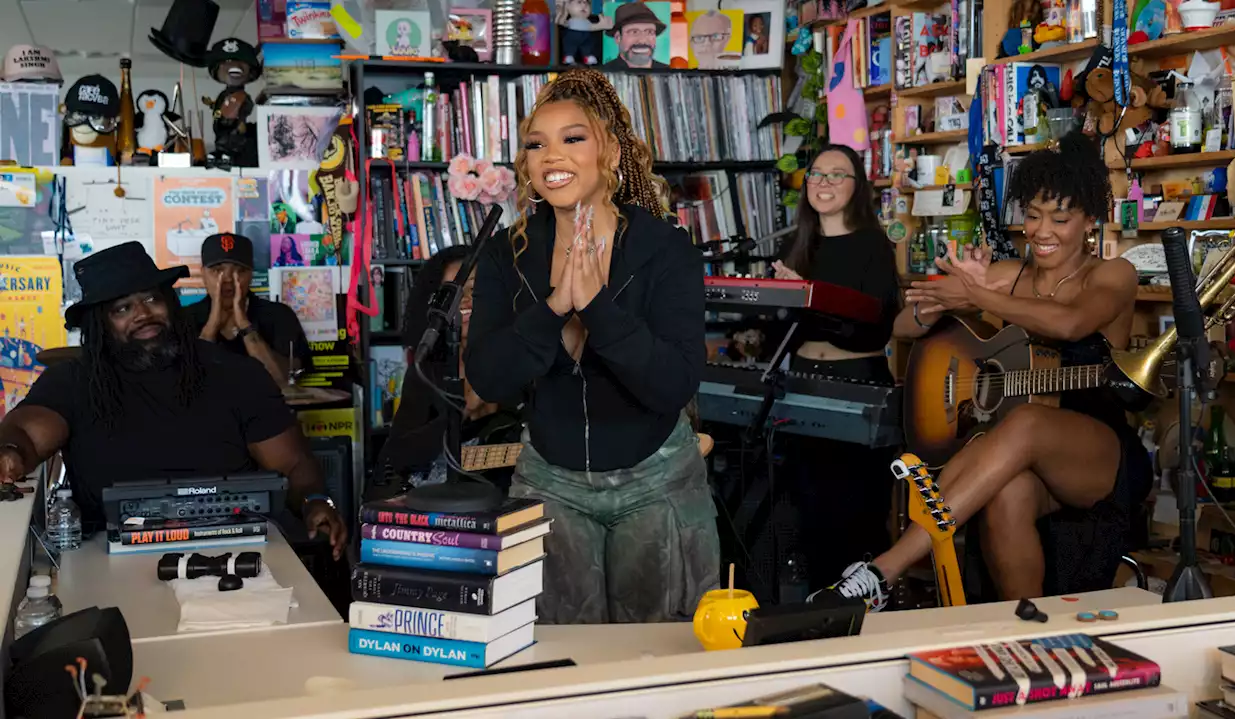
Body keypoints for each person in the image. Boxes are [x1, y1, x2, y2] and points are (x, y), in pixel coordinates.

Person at [810, 132, 1148, 610]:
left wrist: (979, 296)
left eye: (1061, 218)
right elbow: (902, 324)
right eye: (1032, 216)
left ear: (1090, 220)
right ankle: (1022, 629)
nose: (1043, 231)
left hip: (1097, 450)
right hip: (1012, 450)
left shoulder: (1112, 274)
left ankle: (883, 571)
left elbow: (1070, 324)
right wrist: (943, 307)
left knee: (1024, 423)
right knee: (1007, 493)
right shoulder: (1009, 273)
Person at [465, 68, 717, 624]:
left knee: (659, 662)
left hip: (657, 482)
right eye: (536, 143)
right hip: (548, 482)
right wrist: (554, 307)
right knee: (560, 659)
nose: (552, 155)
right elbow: (487, 377)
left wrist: (597, 308)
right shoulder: (507, 255)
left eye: (572, 138)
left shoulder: (665, 249)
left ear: (607, 149)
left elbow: (672, 383)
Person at [0, 242, 347, 558]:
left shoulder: (235, 374)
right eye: (122, 308)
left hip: (236, 550)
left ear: (170, 302)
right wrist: (10, 452)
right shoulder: (73, 381)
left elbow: (292, 465)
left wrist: (314, 501)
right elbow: (27, 434)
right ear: (101, 324)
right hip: (111, 557)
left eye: (152, 299)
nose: (143, 313)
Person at [770, 145, 902, 587]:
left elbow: (872, 331)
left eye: (837, 175)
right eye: (816, 174)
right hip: (803, 382)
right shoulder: (797, 244)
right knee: (808, 508)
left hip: (857, 383)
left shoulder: (872, 244)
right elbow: (785, 331)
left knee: (856, 510)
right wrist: (781, 300)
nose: (824, 183)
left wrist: (805, 296)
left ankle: (863, 603)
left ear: (856, 187)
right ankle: (814, 609)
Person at [380, 245, 520, 492]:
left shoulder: (524, 359)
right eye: (452, 291)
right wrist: (464, 408)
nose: (464, 299)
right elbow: (399, 456)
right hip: (445, 500)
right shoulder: (427, 371)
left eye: (475, 288)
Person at [186, 232, 310, 388]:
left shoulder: (279, 316)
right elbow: (187, 382)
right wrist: (212, 325)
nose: (228, 279)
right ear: (203, 273)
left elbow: (280, 379)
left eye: (239, 271)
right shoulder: (184, 319)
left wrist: (245, 325)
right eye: (217, 271)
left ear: (251, 274)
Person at [602, 3, 669, 70]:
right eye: (634, 32)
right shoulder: (601, 75)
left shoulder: (671, 73)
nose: (642, 40)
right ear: (618, 37)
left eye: (649, 32)